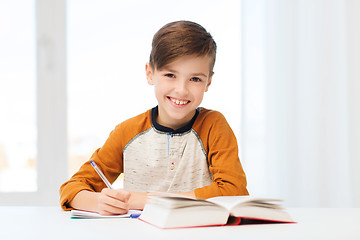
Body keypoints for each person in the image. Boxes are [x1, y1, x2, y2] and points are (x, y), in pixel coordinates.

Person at [59, 20, 248, 215]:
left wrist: (143, 200)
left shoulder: (214, 125)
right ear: (150, 74)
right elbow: (72, 188)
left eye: (195, 79)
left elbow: (234, 191)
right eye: (170, 75)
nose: (181, 90)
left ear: (208, 82)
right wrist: (97, 202)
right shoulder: (127, 132)